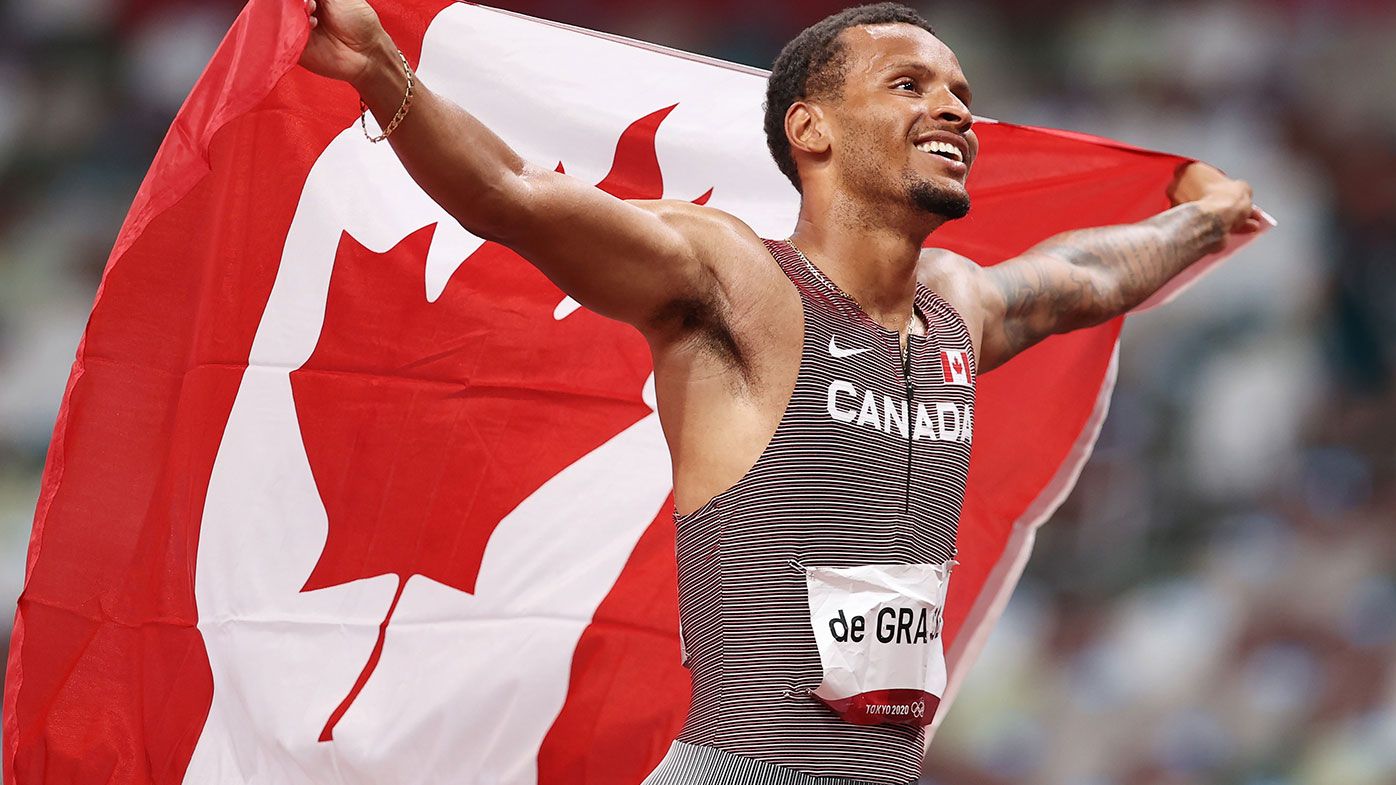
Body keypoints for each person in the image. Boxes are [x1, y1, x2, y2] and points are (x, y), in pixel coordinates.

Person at [299, 1, 1260, 783]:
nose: (957, 109)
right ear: (811, 129)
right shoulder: (737, 283)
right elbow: (511, 190)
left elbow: (1085, 276)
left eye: (962, 92)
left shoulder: (955, 307)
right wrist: (384, 68)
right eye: (910, 84)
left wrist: (1204, 223)